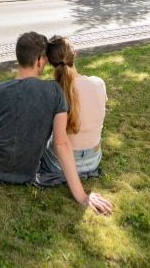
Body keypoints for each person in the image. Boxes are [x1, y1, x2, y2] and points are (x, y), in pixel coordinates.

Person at [0, 32, 113, 215]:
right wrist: (82, 196)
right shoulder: (65, 89)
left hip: (5, 161)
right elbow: (62, 141)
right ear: (40, 61)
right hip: (59, 166)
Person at [35, 36, 107, 187]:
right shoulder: (98, 83)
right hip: (93, 160)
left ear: (49, 61)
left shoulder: (51, 91)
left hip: (59, 165)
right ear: (75, 53)